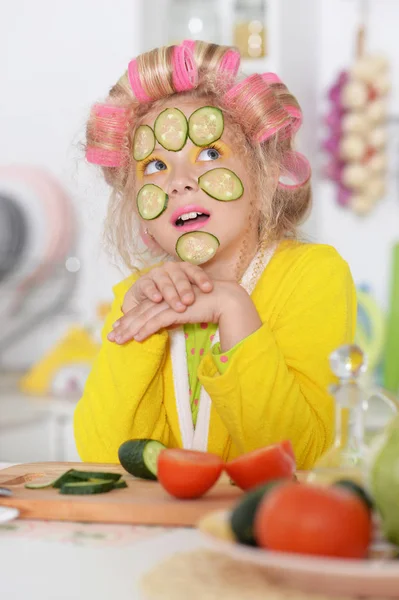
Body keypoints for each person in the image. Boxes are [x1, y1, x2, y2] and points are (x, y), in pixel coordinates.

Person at [74, 40, 356, 469]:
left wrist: (232, 306)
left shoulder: (313, 275)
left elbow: (305, 459)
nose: (178, 182)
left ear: (263, 174)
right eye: (154, 165)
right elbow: (101, 457)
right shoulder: (140, 296)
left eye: (208, 153)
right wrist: (134, 331)